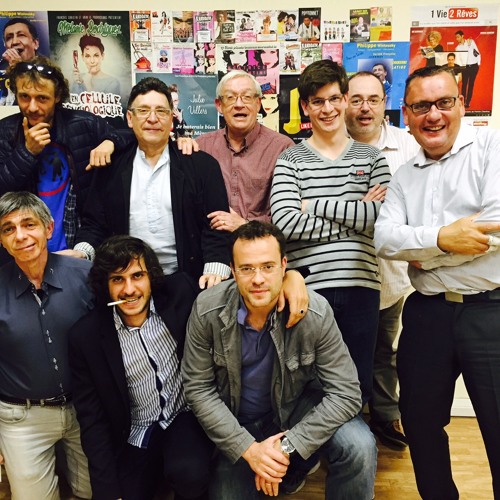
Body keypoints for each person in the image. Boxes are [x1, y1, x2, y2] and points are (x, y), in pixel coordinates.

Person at [374, 65, 500, 499]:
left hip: (489, 311)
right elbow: (385, 239)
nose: (433, 115)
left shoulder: (490, 148)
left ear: (461, 104)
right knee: (420, 422)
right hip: (427, 313)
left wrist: (423, 247)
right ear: (406, 114)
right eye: (421, 106)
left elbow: (495, 229)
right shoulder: (403, 175)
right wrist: (446, 238)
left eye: (444, 102)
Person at [182, 221, 377, 499]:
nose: (258, 279)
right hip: (239, 422)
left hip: (296, 411)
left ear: (284, 266)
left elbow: (346, 393)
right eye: (247, 268)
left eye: (267, 266)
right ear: (233, 271)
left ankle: (289, 466)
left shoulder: (316, 312)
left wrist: (285, 447)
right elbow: (198, 389)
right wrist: (250, 450)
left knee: (359, 446)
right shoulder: (207, 309)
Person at [271, 60, 391, 406]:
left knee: (355, 387)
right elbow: (285, 223)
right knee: (306, 386)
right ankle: (309, 443)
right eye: (318, 101)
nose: (327, 109)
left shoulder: (372, 158)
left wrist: (313, 205)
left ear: (345, 99)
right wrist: (354, 216)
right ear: (305, 107)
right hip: (307, 288)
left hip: (360, 286)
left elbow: (380, 218)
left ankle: (350, 442)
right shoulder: (291, 160)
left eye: (334, 99)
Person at [69, 235, 213, 500]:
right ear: (105, 285)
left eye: (137, 276)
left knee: (190, 474)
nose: (129, 289)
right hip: (135, 431)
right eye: (117, 279)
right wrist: (107, 492)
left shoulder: (180, 293)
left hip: (183, 416)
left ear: (151, 277)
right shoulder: (86, 338)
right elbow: (92, 421)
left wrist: (290, 278)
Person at [73, 77, 230, 289]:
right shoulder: (110, 167)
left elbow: (216, 226)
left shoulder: (202, 165)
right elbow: (94, 224)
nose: (153, 118)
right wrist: (81, 252)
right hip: (126, 283)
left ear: (172, 118)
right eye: (144, 110)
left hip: (187, 282)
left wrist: (215, 272)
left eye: (161, 111)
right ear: (130, 118)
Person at [0, 191, 93, 499]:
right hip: (21, 418)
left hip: (85, 410)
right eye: (8, 229)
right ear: (1, 240)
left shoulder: (86, 277)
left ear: (49, 228)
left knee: (97, 489)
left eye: (29, 224)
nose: (20, 236)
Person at [345, 71, 419, 448]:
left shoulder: (407, 146)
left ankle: (386, 417)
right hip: (344, 274)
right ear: (344, 102)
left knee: (385, 351)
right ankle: (346, 424)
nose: (365, 108)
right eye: (356, 99)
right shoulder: (331, 146)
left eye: (373, 100)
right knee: (342, 353)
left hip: (391, 276)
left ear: (384, 103)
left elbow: (421, 204)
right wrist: (358, 208)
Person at [0, 56, 128, 256]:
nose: (32, 107)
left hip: (75, 247)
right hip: (22, 251)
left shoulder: (83, 124)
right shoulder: (5, 131)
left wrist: (110, 141)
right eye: (24, 97)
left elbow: (131, 135)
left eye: (42, 98)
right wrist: (27, 152)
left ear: (57, 96)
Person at [196, 70, 294, 233]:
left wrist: (245, 226)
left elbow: (287, 214)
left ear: (258, 104)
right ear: (219, 105)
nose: (239, 104)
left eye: (247, 97)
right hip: (212, 244)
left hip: (261, 243)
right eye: (230, 97)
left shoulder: (282, 148)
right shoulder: (201, 146)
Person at [1, 18, 41, 105]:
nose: (14, 42)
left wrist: (18, 68)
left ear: (35, 44)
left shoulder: (47, 70)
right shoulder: (2, 71)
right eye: (9, 38)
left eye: (21, 35)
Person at [455, 30, 480, 108]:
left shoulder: (471, 42)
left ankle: (468, 102)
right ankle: (463, 101)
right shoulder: (457, 48)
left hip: (474, 66)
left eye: (458, 37)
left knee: (471, 84)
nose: (457, 39)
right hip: (465, 67)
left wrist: (478, 64)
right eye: (456, 37)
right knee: (464, 84)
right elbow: (458, 60)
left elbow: (477, 52)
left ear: (462, 36)